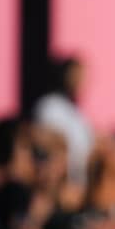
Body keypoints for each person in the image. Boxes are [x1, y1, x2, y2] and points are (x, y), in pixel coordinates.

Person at [34, 56, 95, 187]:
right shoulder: (50, 106)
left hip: (78, 182)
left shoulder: (76, 112)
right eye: (76, 75)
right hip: (57, 183)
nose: (81, 80)